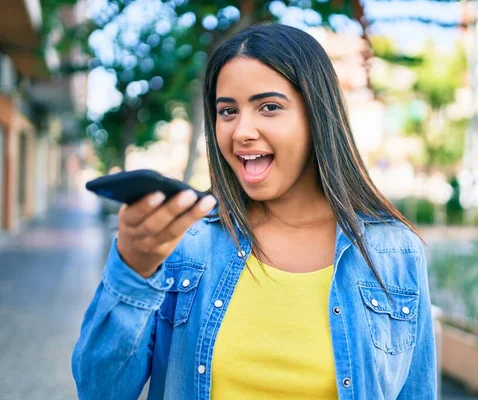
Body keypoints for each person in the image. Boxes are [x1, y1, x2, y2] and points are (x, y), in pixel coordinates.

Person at [72, 23, 436, 400]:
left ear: (317, 116)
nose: (241, 131)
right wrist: (133, 268)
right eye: (227, 111)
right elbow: (100, 390)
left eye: (269, 107)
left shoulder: (395, 251)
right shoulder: (186, 243)